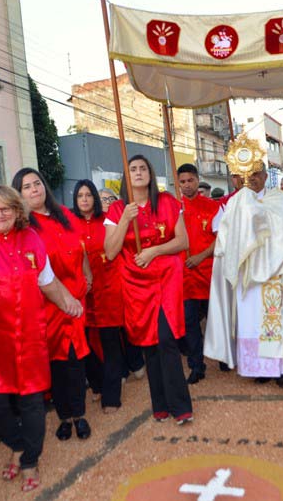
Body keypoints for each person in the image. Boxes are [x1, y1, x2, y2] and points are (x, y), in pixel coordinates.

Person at [0, 184, 81, 493]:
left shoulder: (32, 239)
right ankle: (16, 443)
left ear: (17, 212)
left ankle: (29, 460)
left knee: (32, 402)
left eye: (6, 209)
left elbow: (47, 281)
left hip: (29, 336)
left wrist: (69, 301)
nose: (0, 215)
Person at [104, 154, 193, 425]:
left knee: (165, 338)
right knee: (149, 342)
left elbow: (182, 241)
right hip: (135, 281)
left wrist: (154, 251)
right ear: (126, 176)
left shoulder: (166, 202)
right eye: (133, 169)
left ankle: (181, 406)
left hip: (166, 276)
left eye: (144, 168)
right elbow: (110, 251)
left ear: (151, 175)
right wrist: (123, 221)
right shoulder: (118, 210)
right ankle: (160, 404)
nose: (139, 172)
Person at [205, 163, 283, 387]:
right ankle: (259, 367)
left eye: (256, 174)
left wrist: (260, 219)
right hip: (248, 272)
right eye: (246, 174)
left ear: (265, 175)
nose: (252, 178)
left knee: (277, 319)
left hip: (275, 270)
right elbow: (226, 236)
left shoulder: (278, 198)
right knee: (252, 321)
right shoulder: (235, 201)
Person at [13, 168, 92, 442]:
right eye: (26, 187)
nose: (34, 189)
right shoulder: (22, 226)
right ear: (19, 194)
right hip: (47, 304)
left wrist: (88, 275)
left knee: (76, 360)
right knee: (56, 363)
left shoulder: (67, 216)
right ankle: (64, 417)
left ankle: (79, 415)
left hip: (76, 299)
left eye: (37, 183)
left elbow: (81, 249)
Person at [72, 179, 127, 413]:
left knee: (110, 342)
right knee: (83, 344)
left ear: (95, 198)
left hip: (109, 289)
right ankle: (96, 383)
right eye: (80, 196)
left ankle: (111, 396)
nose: (85, 199)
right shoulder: (68, 224)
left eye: (88, 195)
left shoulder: (107, 221)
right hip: (81, 293)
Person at [177, 163, 220, 384]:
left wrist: (202, 256)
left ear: (197, 179)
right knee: (190, 322)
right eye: (182, 182)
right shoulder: (175, 208)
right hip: (185, 277)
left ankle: (224, 356)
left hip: (210, 272)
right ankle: (196, 365)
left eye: (190, 180)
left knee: (218, 319)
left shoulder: (212, 206)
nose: (186, 185)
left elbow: (222, 237)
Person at [100, 187, 146, 380]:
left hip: (125, 278)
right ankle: (119, 370)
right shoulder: (96, 223)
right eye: (103, 199)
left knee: (129, 325)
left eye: (110, 198)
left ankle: (136, 362)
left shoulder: (121, 215)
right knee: (110, 332)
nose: (108, 201)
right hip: (102, 285)